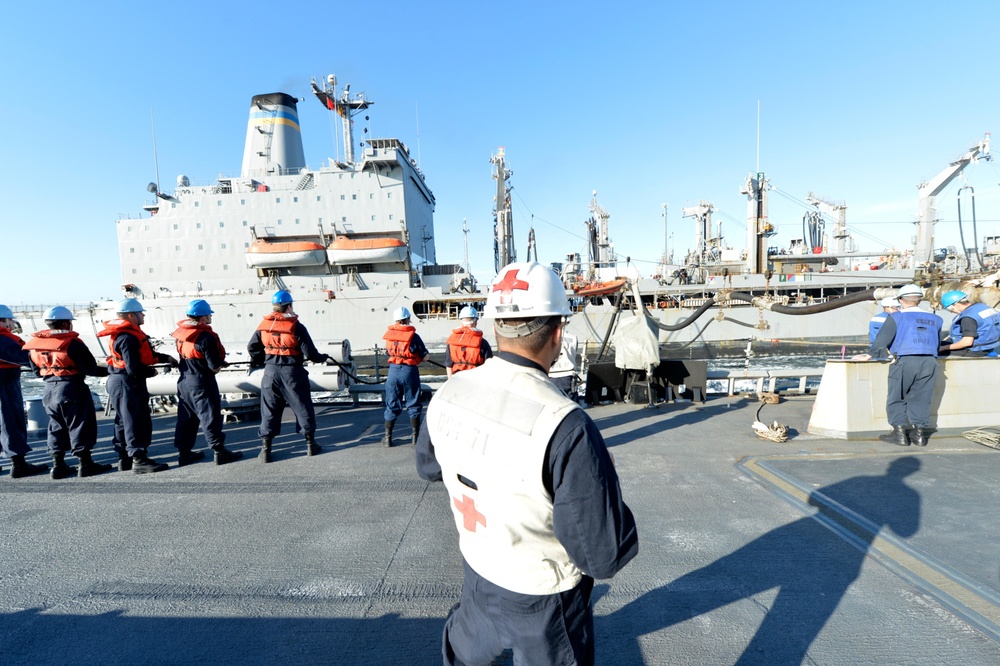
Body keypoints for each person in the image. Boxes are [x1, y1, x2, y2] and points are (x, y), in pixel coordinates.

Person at [416, 261, 638, 665]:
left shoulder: (449, 392)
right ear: (556, 333)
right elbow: (603, 555)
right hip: (543, 597)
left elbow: (429, 468)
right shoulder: (566, 426)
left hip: (478, 576)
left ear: (496, 326)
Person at [24, 306, 113, 479]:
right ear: (66, 323)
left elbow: (36, 372)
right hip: (72, 388)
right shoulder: (73, 343)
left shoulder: (34, 346)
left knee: (56, 426)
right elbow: (90, 368)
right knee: (80, 425)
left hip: (49, 390)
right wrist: (111, 370)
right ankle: (85, 464)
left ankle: (58, 466)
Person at [247, 290, 335, 463]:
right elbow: (310, 353)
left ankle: (265, 450)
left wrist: (265, 360)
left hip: (270, 374)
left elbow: (252, 348)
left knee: (269, 410)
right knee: (302, 407)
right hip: (292, 373)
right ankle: (310, 445)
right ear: (288, 306)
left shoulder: (264, 327)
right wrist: (322, 358)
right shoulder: (297, 326)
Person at [854, 284, 943, 447]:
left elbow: (881, 342)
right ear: (919, 299)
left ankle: (899, 434)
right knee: (922, 398)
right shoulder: (936, 319)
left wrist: (869, 354)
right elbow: (936, 343)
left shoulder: (896, 317)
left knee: (897, 397)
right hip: (930, 361)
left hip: (905, 360)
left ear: (901, 300)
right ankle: (920, 435)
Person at [97, 298, 176, 473]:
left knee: (123, 420)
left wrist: (164, 358)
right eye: (141, 313)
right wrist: (151, 372)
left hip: (118, 380)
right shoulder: (128, 337)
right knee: (135, 420)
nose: (143, 316)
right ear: (131, 315)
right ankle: (139, 459)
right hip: (128, 382)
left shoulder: (124, 335)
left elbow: (143, 355)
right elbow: (133, 368)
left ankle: (124, 458)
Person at [170, 299, 243, 466]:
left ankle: (184, 453)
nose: (210, 317)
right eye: (209, 314)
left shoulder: (181, 334)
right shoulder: (205, 337)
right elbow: (214, 367)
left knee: (186, 419)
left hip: (184, 381)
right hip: (201, 382)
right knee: (209, 416)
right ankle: (219, 451)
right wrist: (220, 365)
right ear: (203, 317)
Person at [0, 305, 48, 478]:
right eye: (10, 320)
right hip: (5, 382)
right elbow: (25, 358)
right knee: (10, 421)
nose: (12, 323)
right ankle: (18, 464)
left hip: (6, 379)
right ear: (3, 321)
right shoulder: (3, 340)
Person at [381, 306, 428, 447]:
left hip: (393, 371)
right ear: (407, 319)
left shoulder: (389, 335)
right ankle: (415, 437)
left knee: (392, 403)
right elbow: (425, 357)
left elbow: (389, 352)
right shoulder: (414, 336)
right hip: (409, 371)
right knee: (413, 402)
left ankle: (388, 438)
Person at [938, 290, 1000, 357]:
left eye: (949, 309)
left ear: (956, 305)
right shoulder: (983, 307)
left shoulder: (968, 318)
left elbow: (967, 342)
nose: (952, 312)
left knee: (931, 350)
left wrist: (943, 348)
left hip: (974, 351)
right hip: (988, 346)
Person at [445, 306, 492, 377]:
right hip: (476, 380)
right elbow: (489, 366)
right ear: (476, 322)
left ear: (462, 322)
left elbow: (449, 365)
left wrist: (450, 380)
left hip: (457, 379)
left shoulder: (451, 342)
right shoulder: (483, 343)